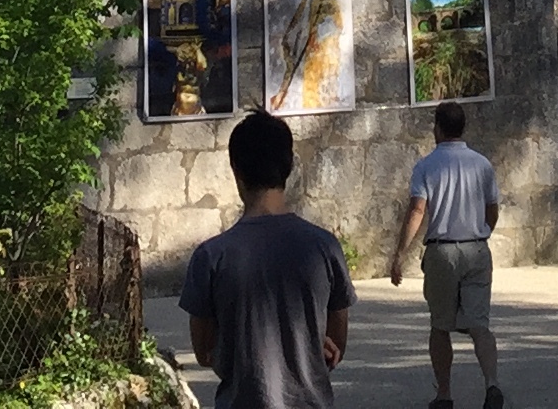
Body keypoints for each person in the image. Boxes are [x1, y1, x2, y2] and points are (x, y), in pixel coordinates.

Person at [181, 110, 355, 409]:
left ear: (236, 169)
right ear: (288, 167)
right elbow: (336, 343)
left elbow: (204, 351)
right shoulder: (324, 248)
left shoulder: (211, 257)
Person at [385, 99, 506, 409]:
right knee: (480, 325)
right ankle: (491, 384)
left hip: (442, 251)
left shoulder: (426, 166)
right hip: (477, 247)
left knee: (440, 326)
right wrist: (483, 232)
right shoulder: (481, 164)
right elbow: (492, 210)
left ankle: (445, 394)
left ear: (437, 128)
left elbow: (417, 210)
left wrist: (400, 254)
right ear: (462, 127)